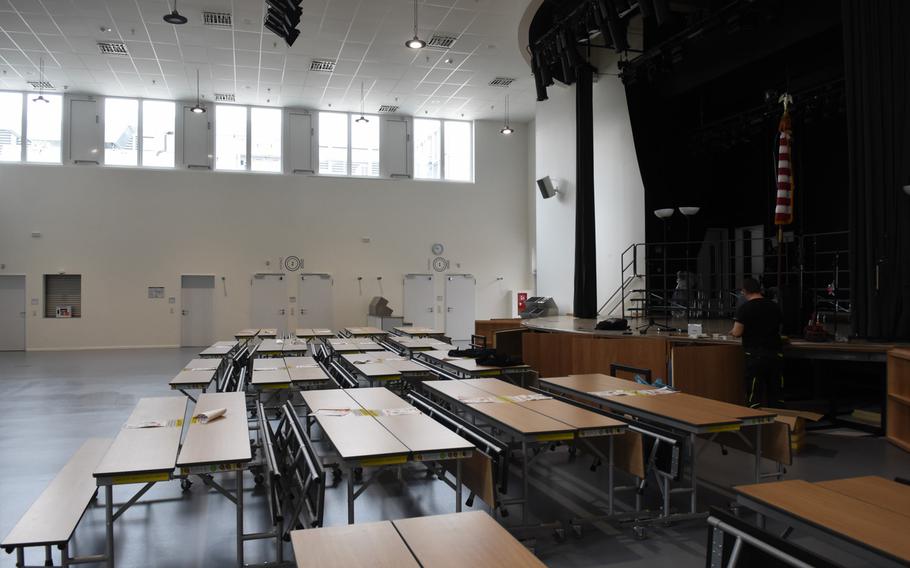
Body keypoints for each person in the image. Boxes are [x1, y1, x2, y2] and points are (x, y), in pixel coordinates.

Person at [730, 277, 783, 408]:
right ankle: (780, 423)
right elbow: (780, 327)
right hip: (775, 353)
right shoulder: (774, 306)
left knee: (755, 394)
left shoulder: (745, 308)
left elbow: (737, 332)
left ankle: (756, 423)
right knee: (775, 391)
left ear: (744, 291)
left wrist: (731, 331)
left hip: (755, 354)